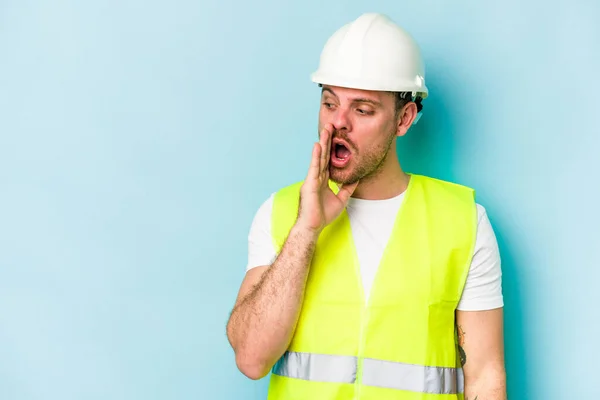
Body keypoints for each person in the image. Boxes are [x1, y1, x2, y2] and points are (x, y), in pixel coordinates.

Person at [226, 12, 506, 400]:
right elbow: (251, 359)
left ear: (403, 118)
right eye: (329, 103)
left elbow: (485, 376)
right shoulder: (280, 213)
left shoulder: (462, 221)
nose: (338, 123)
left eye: (362, 109)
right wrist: (305, 231)